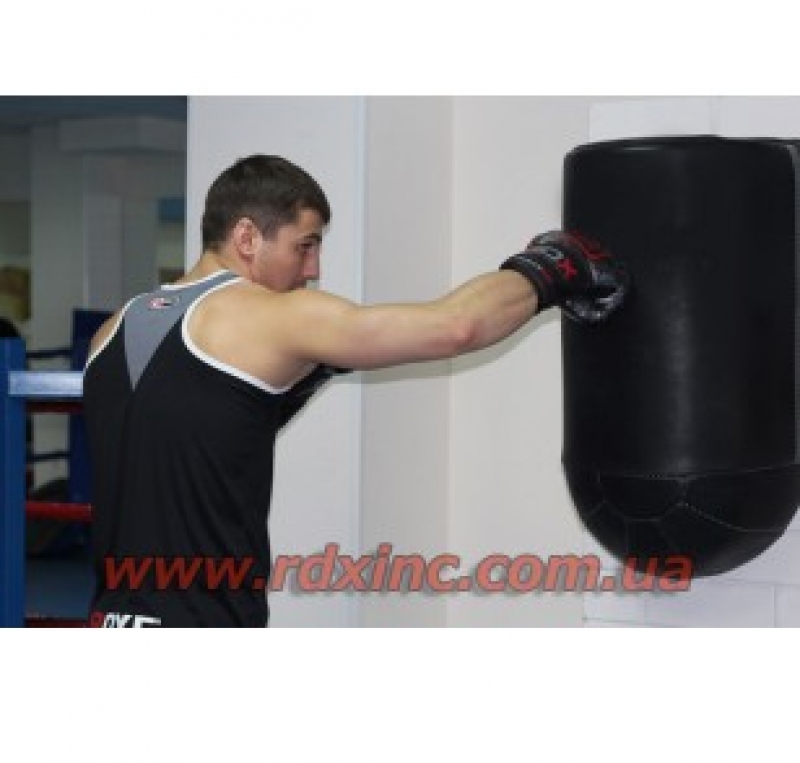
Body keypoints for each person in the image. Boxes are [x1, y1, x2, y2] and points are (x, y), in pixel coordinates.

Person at [83, 154, 628, 628]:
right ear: (246, 237)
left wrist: (296, 385)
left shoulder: (112, 330)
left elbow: (188, 441)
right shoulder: (270, 315)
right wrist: (553, 267)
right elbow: (456, 327)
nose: (313, 269)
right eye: (304, 246)